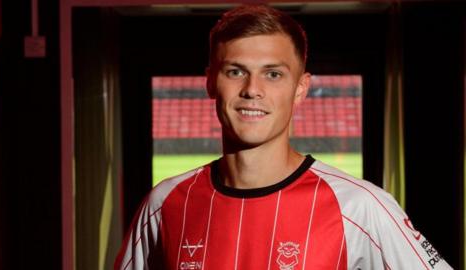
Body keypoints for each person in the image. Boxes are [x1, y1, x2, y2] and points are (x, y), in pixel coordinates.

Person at [115, 4, 452, 270]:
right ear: (210, 81)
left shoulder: (361, 208)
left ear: (301, 88)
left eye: (273, 74)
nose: (252, 90)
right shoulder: (164, 204)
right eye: (236, 72)